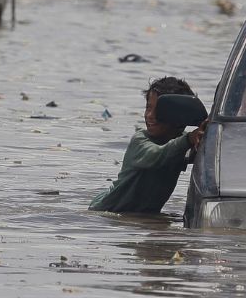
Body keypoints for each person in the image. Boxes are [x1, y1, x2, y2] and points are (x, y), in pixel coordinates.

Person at [89, 77, 208, 214]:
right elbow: (159, 154)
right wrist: (189, 139)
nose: (150, 115)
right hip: (105, 210)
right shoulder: (141, 140)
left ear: (180, 116)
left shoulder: (181, 143)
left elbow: (190, 155)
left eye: (158, 110)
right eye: (148, 108)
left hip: (142, 213)